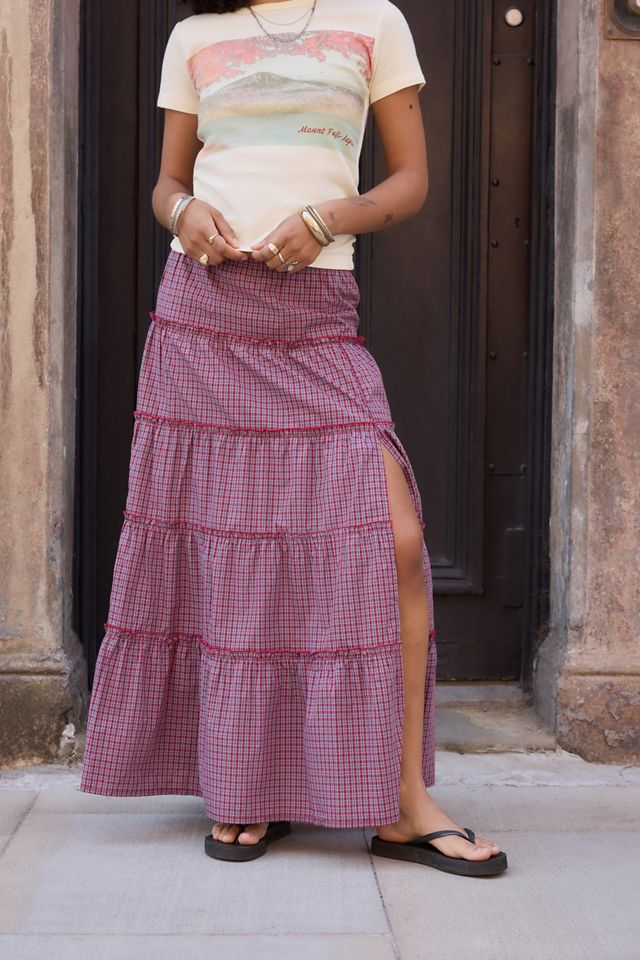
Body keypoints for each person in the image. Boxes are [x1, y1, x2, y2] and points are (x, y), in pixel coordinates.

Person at [79, 0, 507, 877]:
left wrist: (326, 220)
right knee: (235, 553)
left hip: (316, 316)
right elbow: (166, 182)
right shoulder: (194, 36)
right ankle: (247, 785)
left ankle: (404, 803)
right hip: (204, 314)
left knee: (396, 540)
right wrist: (182, 211)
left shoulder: (374, 21)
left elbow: (409, 181)